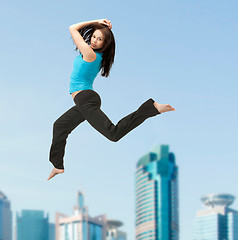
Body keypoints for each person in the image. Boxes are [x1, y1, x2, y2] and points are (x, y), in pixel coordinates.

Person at [47, 18, 175, 181]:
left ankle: (151, 108)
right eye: (93, 36)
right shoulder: (93, 54)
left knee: (113, 134)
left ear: (105, 44)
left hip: (86, 99)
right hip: (83, 100)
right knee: (60, 125)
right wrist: (98, 25)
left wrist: (96, 21)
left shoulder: (90, 54)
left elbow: (72, 28)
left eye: (99, 39)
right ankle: (57, 165)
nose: (94, 41)